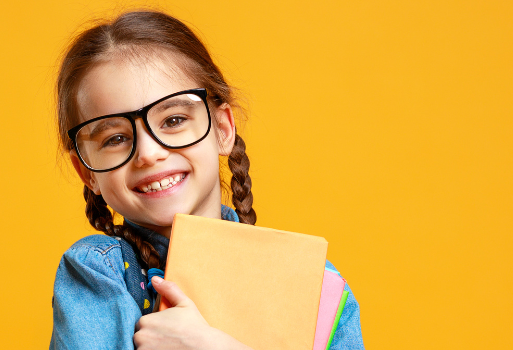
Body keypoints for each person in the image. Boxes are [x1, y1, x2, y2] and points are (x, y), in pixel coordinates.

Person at [49, 10, 364, 350]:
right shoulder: (100, 271)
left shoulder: (316, 284)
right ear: (86, 172)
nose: (149, 153)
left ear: (223, 130)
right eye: (115, 139)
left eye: (173, 120)